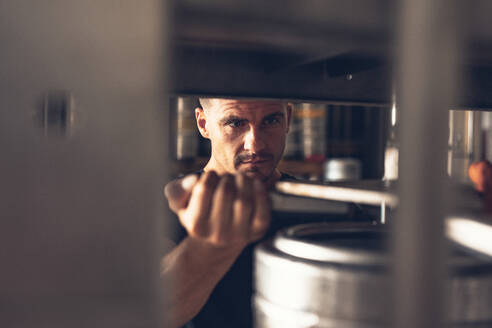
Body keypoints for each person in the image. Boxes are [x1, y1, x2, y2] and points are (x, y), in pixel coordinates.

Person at [161, 98, 294, 328]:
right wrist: (208, 250)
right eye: (235, 123)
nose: (255, 145)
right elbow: (141, 315)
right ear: (204, 124)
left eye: (271, 120)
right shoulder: (170, 207)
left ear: (288, 119)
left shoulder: (330, 208)